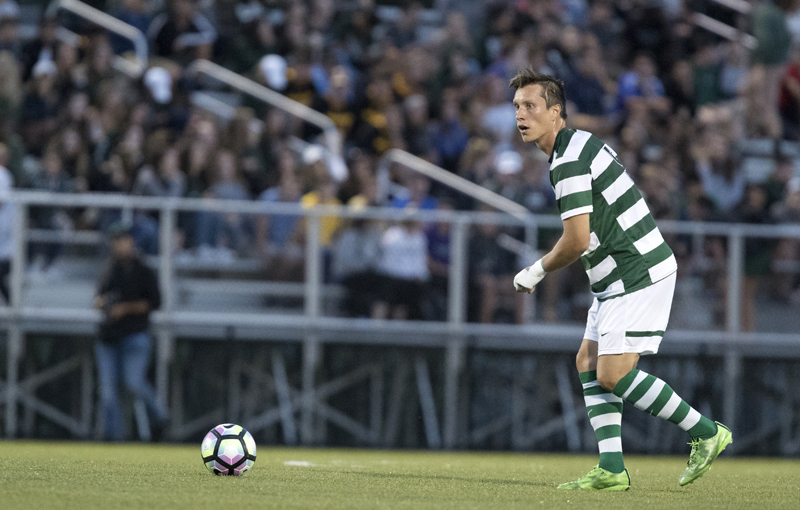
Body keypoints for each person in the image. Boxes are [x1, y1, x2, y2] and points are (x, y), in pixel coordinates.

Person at [509, 69, 731, 490]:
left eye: (531, 106)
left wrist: (535, 270)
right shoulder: (572, 147)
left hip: (637, 271)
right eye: (517, 106)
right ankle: (611, 467)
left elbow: (575, 241)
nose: (521, 114)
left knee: (611, 374)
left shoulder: (568, 158)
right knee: (588, 363)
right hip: (618, 274)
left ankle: (705, 431)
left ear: (555, 113)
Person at [94, 223, 168, 441]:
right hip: (108, 337)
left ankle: (160, 417)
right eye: (115, 241)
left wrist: (125, 308)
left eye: (122, 241)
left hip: (135, 334)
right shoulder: (109, 269)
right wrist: (103, 304)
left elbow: (155, 302)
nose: (119, 246)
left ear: (131, 242)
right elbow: (98, 298)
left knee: (133, 383)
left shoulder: (142, 270)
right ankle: (113, 439)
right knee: (107, 393)